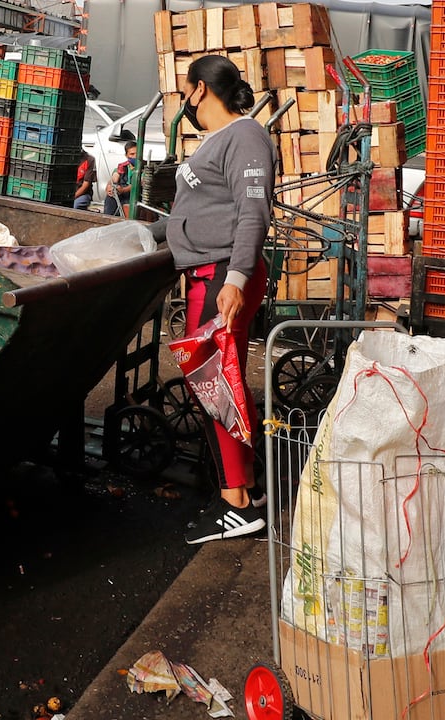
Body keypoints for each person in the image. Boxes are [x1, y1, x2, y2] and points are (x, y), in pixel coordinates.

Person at [163, 55, 273, 545]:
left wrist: (237, 278)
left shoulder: (245, 137)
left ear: (201, 90)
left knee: (213, 386)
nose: (185, 102)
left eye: (186, 91)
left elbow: (253, 212)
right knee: (219, 382)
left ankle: (236, 504)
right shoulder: (220, 138)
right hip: (211, 273)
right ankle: (245, 488)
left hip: (223, 276)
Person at [101, 140, 137, 218]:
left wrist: (123, 190)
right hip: (121, 195)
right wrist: (110, 188)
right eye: (132, 154)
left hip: (135, 197)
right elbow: (113, 178)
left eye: (137, 154)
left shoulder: (144, 168)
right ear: (126, 155)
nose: (135, 156)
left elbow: (139, 183)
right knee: (111, 197)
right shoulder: (122, 167)